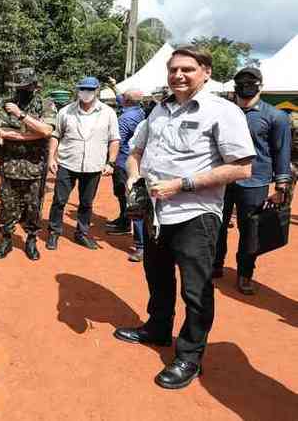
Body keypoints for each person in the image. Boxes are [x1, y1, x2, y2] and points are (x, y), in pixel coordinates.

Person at [114, 46, 255, 390]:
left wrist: (182, 185)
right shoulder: (158, 111)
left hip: (195, 215)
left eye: (187, 69)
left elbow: (242, 167)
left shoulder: (223, 111)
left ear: (206, 72)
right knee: (157, 276)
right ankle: (159, 328)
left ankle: (190, 356)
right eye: (173, 69)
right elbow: (136, 151)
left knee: (196, 290)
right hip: (156, 213)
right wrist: (134, 177)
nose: (178, 75)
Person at [213, 67, 292, 294]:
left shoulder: (276, 116)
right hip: (222, 179)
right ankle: (215, 265)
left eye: (251, 82)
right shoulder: (225, 112)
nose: (246, 86)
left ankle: (245, 273)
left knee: (250, 231)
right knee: (216, 225)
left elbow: (281, 151)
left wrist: (281, 185)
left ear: (260, 85)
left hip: (255, 182)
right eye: (241, 83)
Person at [45, 76, 120, 250]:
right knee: (59, 200)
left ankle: (82, 233)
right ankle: (54, 232)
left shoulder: (108, 113)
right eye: (82, 89)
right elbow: (56, 135)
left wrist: (111, 163)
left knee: (86, 203)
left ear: (97, 91)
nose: (86, 93)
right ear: (77, 90)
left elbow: (114, 139)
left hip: (94, 165)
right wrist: (51, 158)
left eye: (90, 90)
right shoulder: (66, 112)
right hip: (67, 163)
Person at [0, 68, 56, 261]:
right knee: (8, 205)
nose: (23, 90)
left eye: (26, 86)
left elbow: (46, 131)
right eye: (19, 86)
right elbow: (2, 132)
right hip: (10, 166)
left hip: (35, 167)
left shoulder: (46, 104)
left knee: (33, 206)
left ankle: (31, 240)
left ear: (34, 85)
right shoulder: (5, 104)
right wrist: (31, 135)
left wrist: (21, 115)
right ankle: (6, 239)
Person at [106, 89, 148, 262]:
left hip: (125, 163)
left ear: (126, 100)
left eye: (122, 96)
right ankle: (124, 222)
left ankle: (141, 246)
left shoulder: (125, 118)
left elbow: (117, 140)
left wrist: (109, 160)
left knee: (132, 201)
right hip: (133, 163)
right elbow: (123, 97)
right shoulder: (139, 110)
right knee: (125, 197)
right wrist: (115, 87)